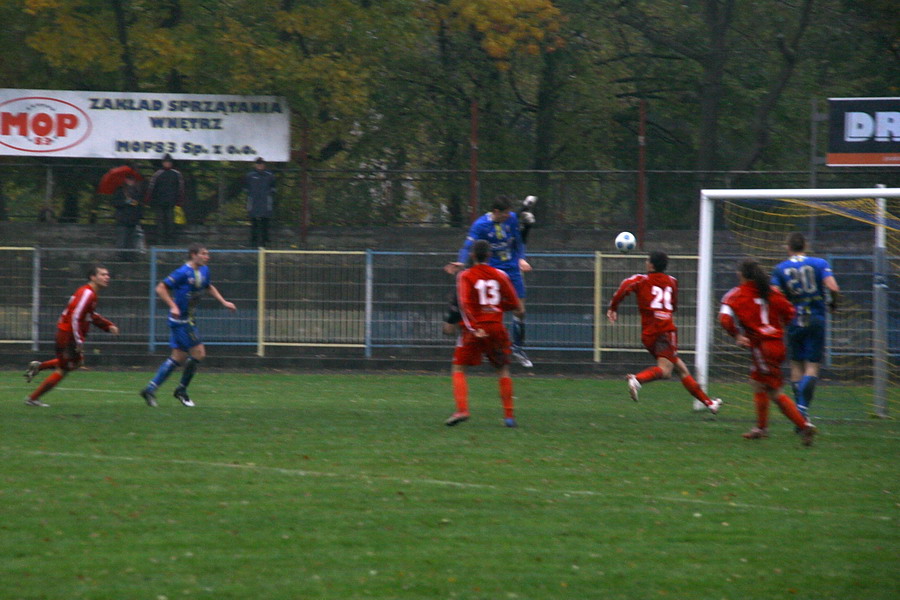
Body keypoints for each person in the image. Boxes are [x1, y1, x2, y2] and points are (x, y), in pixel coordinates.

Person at [606, 251, 722, 414]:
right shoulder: (672, 282)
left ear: (651, 265)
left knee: (681, 369)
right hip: (665, 332)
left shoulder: (640, 280)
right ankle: (637, 380)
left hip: (648, 334)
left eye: (647, 260)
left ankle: (710, 404)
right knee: (666, 371)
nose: (646, 262)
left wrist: (613, 308)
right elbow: (673, 306)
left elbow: (625, 285)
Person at [719, 259, 817, 445]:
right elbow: (790, 312)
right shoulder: (772, 292)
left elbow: (724, 319)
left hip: (762, 347)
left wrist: (737, 336)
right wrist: (776, 328)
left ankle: (804, 426)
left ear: (742, 275)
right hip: (777, 345)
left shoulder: (736, 294)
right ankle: (761, 428)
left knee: (774, 392)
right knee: (757, 383)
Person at [139, 243, 236, 407]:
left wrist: (224, 301)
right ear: (193, 255)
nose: (207, 256)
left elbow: (208, 286)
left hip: (189, 319)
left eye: (207, 254)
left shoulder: (204, 270)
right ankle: (181, 390)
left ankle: (150, 389)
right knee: (199, 353)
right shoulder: (182, 272)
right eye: (204, 254)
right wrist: (173, 305)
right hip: (180, 322)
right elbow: (161, 288)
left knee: (178, 357)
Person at [444, 196, 533, 367]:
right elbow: (467, 246)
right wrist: (462, 261)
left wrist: (521, 259)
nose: (509, 216)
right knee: (487, 310)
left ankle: (518, 348)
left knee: (520, 311)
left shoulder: (512, 219)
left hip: (512, 269)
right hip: (492, 271)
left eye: (509, 213)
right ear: (496, 212)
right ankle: (481, 344)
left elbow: (519, 242)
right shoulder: (480, 225)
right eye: (505, 213)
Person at [445, 239, 525, 428]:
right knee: (503, 370)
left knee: (458, 368)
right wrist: (495, 308)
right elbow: (515, 305)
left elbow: (464, 304)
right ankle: (509, 416)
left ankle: (462, 409)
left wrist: (473, 327)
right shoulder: (500, 274)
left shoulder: (465, 276)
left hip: (475, 329)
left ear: (472, 255)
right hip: (496, 328)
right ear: (490, 255)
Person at [23, 265, 119, 407]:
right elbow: (75, 317)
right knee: (64, 369)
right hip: (68, 335)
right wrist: (78, 340)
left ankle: (39, 367)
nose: (107, 277)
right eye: (103, 274)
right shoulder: (87, 293)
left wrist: (107, 325)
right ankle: (32, 398)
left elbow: (89, 315)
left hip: (68, 334)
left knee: (76, 362)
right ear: (93, 277)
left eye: (108, 275)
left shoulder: (89, 293)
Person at [770, 232, 841, 420]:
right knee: (812, 366)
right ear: (805, 246)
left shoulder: (780, 268)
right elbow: (833, 288)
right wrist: (833, 303)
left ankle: (799, 413)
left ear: (788, 247)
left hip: (793, 320)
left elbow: (774, 294)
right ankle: (801, 410)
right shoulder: (820, 263)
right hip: (816, 318)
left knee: (796, 365)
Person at [144, 153, 185, 244]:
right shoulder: (158, 174)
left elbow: (180, 189)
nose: (168, 164)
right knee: (160, 221)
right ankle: (160, 240)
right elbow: (151, 188)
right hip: (159, 202)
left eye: (169, 162)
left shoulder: (176, 174)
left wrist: (179, 201)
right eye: (166, 162)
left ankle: (170, 240)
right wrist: (149, 200)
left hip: (171, 202)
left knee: (170, 221)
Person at [245, 157, 276, 247]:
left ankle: (265, 241)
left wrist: (268, 194)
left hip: (265, 201)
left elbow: (273, 187)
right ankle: (253, 241)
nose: (260, 166)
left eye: (261, 164)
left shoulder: (269, 175)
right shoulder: (250, 175)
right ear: (255, 165)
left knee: (265, 221)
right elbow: (246, 188)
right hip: (253, 201)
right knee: (254, 221)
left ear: (264, 165)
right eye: (258, 164)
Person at [112, 173, 143, 260]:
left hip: (133, 220)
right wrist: (125, 202)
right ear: (126, 180)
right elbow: (115, 203)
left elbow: (140, 205)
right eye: (129, 179)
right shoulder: (120, 191)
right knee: (121, 239)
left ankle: (131, 256)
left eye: (132, 179)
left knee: (132, 240)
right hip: (122, 219)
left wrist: (135, 204)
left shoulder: (137, 191)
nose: (131, 181)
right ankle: (119, 256)